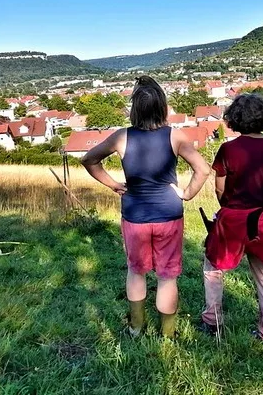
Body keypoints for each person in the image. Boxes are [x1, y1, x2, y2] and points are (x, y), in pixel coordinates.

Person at [81, 76, 210, 338]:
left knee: (136, 272)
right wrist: (186, 194)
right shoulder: (175, 136)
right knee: (167, 277)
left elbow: (89, 160)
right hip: (168, 215)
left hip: (134, 216)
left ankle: (136, 328)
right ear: (163, 107)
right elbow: (203, 169)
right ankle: (168, 334)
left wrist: (113, 184)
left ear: (135, 109)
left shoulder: (121, 137)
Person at [200, 93, 263, 349]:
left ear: (234, 118)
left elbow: (219, 188)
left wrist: (229, 207)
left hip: (234, 219)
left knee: (213, 264)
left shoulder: (228, 149)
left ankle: (212, 320)